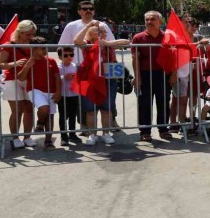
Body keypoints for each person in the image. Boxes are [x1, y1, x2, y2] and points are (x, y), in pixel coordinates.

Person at [75, 21, 130, 145]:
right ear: (91, 33)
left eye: (104, 31)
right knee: (90, 110)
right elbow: (77, 40)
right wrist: (88, 25)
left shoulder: (109, 44)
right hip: (90, 79)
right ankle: (92, 134)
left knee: (107, 108)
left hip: (108, 79)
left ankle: (106, 133)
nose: (103, 33)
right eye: (100, 31)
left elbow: (127, 42)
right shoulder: (87, 44)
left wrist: (108, 43)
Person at [132, 11, 175, 142]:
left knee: (163, 102)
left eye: (153, 19)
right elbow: (135, 59)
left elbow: (174, 57)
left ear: (160, 22)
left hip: (163, 74)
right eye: (147, 19)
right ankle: (145, 131)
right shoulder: (138, 38)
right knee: (144, 104)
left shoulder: (168, 37)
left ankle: (163, 129)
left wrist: (174, 74)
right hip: (145, 74)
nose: (149, 22)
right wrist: (137, 77)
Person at [0, 20, 37, 149]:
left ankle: (27, 137)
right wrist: (14, 63)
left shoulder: (35, 44)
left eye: (33, 34)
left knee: (29, 109)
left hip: (30, 79)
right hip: (12, 79)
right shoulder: (9, 45)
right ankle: (15, 138)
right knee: (17, 110)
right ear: (20, 33)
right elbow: (1, 64)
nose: (31, 37)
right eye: (28, 34)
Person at [17, 36, 60, 151]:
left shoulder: (51, 60)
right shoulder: (27, 60)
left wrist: (58, 92)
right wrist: (27, 66)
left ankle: (48, 140)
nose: (45, 51)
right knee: (44, 109)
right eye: (42, 49)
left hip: (51, 91)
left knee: (50, 115)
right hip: (35, 90)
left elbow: (57, 78)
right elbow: (20, 78)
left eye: (46, 48)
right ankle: (40, 123)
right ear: (34, 49)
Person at [58, 1, 116, 65]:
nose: (88, 10)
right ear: (79, 12)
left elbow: (113, 44)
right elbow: (61, 47)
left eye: (91, 9)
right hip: (78, 65)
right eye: (85, 9)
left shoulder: (103, 25)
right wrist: (66, 65)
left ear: (94, 11)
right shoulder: (71, 26)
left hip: (100, 65)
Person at [56, 46, 81, 145]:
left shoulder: (75, 66)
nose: (69, 57)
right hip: (62, 95)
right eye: (65, 55)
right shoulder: (58, 67)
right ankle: (63, 136)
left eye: (71, 55)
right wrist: (64, 77)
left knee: (72, 115)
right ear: (60, 56)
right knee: (63, 116)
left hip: (74, 94)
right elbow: (55, 80)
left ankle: (72, 133)